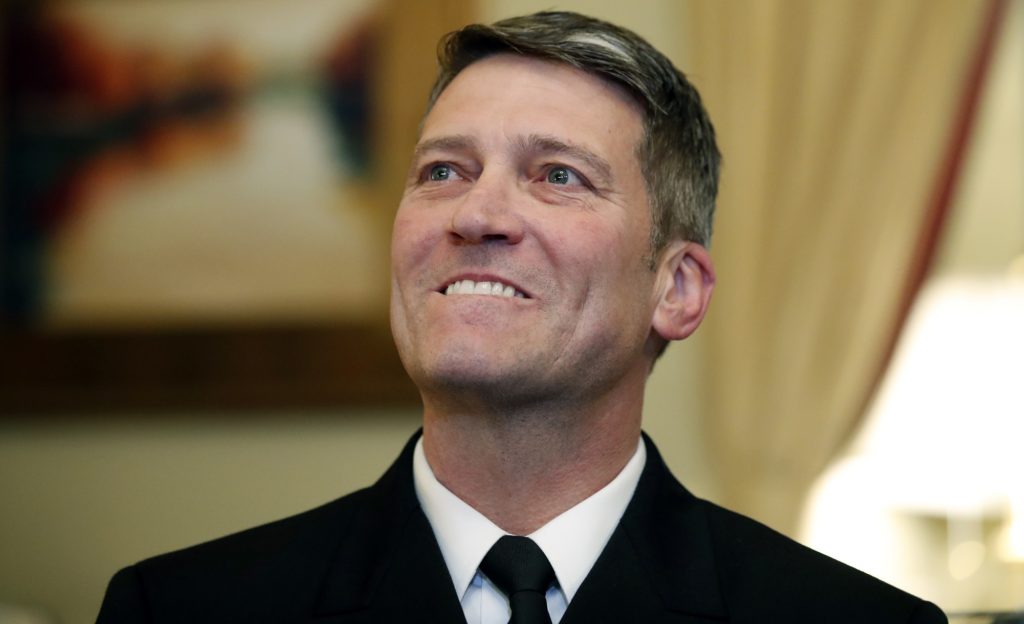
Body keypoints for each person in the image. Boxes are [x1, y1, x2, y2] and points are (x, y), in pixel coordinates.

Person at [97, 11, 947, 624]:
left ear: (677, 290)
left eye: (558, 176)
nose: (476, 213)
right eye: (442, 171)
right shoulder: (177, 608)